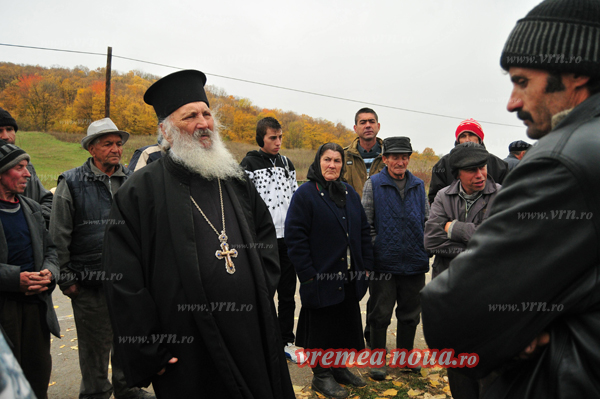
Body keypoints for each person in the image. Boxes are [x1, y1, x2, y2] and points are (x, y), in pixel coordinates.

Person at [421, 0, 600, 397]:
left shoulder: (560, 161)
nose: (512, 102)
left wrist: (534, 322)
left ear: (574, 74)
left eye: (522, 81)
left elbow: (456, 315)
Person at [102, 70, 294, 399]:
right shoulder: (139, 191)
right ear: (166, 130)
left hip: (251, 330)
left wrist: (256, 287)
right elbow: (123, 281)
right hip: (188, 343)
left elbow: (265, 240)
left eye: (206, 113)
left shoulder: (235, 179)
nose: (203, 123)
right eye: (190, 116)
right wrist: (149, 349)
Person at [50, 118, 152, 399]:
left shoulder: (133, 181)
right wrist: (66, 278)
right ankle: (95, 394)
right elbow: (58, 235)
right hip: (89, 284)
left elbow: (144, 230)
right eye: (108, 144)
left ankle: (128, 389)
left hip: (127, 282)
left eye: (119, 144)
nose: (116, 149)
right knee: (94, 349)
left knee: (126, 341)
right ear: (92, 149)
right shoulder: (70, 182)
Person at [285, 143, 373, 399]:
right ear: (318, 161)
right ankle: (321, 375)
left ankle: (337, 367)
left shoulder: (348, 193)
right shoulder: (305, 194)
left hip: (348, 274)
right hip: (320, 275)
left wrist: (366, 266)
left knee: (343, 324)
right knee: (322, 327)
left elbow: (363, 231)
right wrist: (309, 274)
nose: (332, 165)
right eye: (327, 159)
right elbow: (295, 238)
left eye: (337, 160)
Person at [424, 142, 501, 399]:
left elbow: (497, 242)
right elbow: (431, 241)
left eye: (483, 167)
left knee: (488, 365)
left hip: (487, 293)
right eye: (472, 170)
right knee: (457, 363)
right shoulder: (443, 196)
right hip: (451, 292)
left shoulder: (502, 195)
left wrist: (453, 227)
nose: (480, 175)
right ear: (458, 173)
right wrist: (474, 244)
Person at [361, 136, 429, 380]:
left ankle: (406, 356)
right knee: (380, 314)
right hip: (384, 263)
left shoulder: (419, 185)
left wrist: (424, 247)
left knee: (411, 314)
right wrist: (377, 247)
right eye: (395, 157)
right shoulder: (374, 184)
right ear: (385, 159)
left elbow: (427, 221)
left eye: (404, 157)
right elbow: (365, 223)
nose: (400, 162)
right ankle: (377, 360)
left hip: (414, 262)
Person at [0, 140, 60, 399]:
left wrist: (49, 272)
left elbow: (51, 250)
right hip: (5, 310)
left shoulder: (32, 208)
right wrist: (15, 279)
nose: (28, 173)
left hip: (36, 308)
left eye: (28, 167)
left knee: (37, 377)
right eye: (19, 167)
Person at [240, 117, 300, 361]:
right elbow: (243, 203)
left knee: (288, 293)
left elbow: (295, 196)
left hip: (288, 237)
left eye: (280, 137)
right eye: (272, 138)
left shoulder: (287, 163)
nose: (278, 142)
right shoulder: (248, 164)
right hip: (263, 239)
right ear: (261, 138)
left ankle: (286, 340)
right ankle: (263, 340)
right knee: (264, 292)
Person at [428, 118, 508, 204]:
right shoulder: (442, 165)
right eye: (463, 136)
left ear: (479, 138)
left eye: (471, 135)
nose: (467, 140)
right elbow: (435, 198)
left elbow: (508, 199)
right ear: (458, 140)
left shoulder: (499, 165)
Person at [0, 107, 53, 226]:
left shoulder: (27, 167)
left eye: (9, 129)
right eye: (0, 131)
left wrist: (31, 221)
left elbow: (47, 200)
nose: (6, 136)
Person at [343, 107, 384, 198]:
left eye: (372, 121)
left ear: (378, 126)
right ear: (355, 128)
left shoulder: (389, 156)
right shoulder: (343, 157)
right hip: (352, 211)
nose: (368, 125)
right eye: (363, 122)